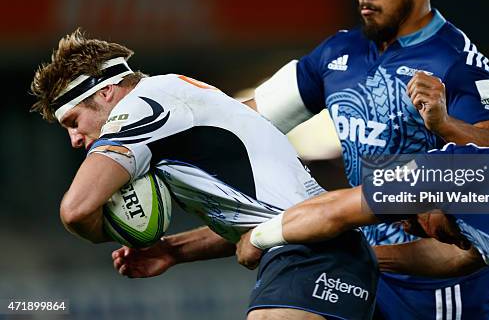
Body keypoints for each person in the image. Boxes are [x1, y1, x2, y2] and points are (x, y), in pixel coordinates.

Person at [244, 0, 489, 320]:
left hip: (437, 282)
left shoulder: (456, 59)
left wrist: (446, 124)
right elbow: (245, 122)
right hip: (364, 269)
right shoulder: (338, 54)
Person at [30, 29, 378, 320]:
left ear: (106, 92)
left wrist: (112, 233)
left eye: (73, 122)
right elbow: (256, 219)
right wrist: (173, 251)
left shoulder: (142, 107)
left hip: (310, 253)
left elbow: (75, 210)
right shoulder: (174, 103)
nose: (75, 139)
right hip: (321, 252)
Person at [236, 143, 489, 320]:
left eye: (413, 220)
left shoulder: (441, 173)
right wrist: (363, 260)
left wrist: (259, 237)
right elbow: (462, 258)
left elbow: (332, 211)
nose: (418, 229)